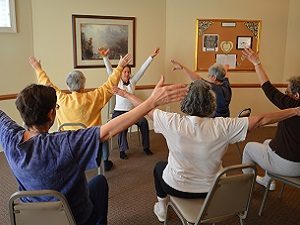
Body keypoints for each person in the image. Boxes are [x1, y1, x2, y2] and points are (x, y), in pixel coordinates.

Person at [0, 76, 188, 225]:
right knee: (99, 182)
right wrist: (151, 102)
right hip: (75, 218)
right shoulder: (65, 143)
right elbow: (109, 130)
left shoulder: (9, 139)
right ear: (51, 114)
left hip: (34, 220)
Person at [113, 79, 300, 222]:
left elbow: (145, 109)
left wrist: (124, 93)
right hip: (214, 192)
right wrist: (294, 111)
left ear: (185, 102)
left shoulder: (171, 122)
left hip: (178, 188)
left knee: (158, 168)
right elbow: (260, 120)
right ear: (211, 103)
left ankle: (162, 208)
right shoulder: (224, 126)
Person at [28, 54, 132, 171]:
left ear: (68, 85)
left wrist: (38, 69)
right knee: (103, 135)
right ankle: (105, 161)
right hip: (91, 144)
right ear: (83, 84)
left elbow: (47, 85)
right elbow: (109, 86)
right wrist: (119, 67)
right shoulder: (93, 98)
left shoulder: (60, 98)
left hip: (67, 146)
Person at [241, 47, 300, 191]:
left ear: (296, 95)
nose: (285, 95)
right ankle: (269, 181)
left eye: (287, 92)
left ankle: (244, 185)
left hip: (288, 165)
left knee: (249, 148)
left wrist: (257, 63)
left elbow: (268, 89)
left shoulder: (294, 106)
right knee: (268, 142)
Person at [99, 47, 160, 159]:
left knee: (144, 122)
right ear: (121, 73)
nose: (127, 74)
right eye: (125, 72)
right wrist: (105, 57)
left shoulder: (133, 81)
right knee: (122, 125)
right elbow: (109, 71)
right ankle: (122, 150)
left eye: (128, 72)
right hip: (118, 112)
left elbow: (142, 69)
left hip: (132, 112)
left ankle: (146, 147)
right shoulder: (116, 81)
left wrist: (151, 57)